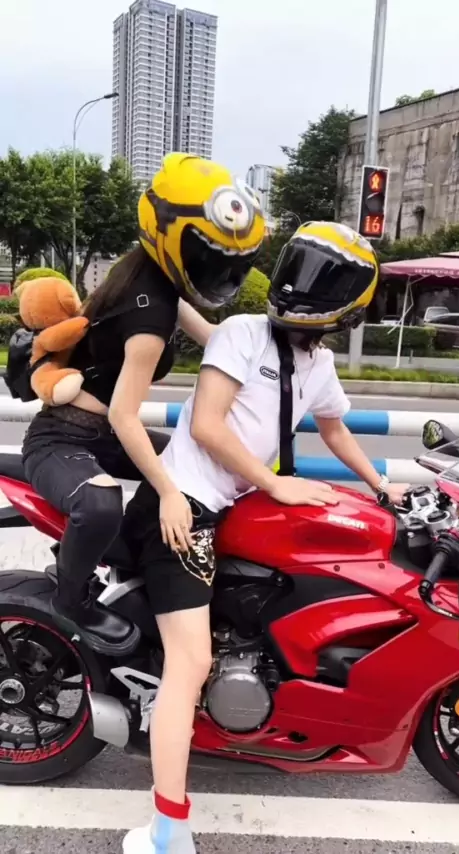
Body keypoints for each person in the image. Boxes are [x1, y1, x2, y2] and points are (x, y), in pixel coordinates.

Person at [121, 221, 409, 854]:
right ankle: (168, 829)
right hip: (183, 505)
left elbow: (334, 428)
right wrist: (275, 483)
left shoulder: (317, 362)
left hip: (232, 504)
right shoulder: (241, 335)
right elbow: (207, 424)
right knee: (191, 663)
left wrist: (380, 485)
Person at [21, 152, 265, 657]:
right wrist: (170, 493)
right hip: (62, 438)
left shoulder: (154, 276)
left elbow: (217, 338)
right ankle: (72, 599)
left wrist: (283, 337)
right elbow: (123, 415)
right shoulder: (149, 313)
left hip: (103, 436)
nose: (221, 271)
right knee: (103, 501)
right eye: (208, 256)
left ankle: (141, 569)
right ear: (172, 240)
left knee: (195, 463)